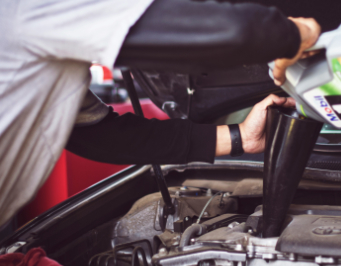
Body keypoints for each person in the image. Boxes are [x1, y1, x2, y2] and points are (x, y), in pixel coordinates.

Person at [0, 0, 320, 227]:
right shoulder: (31, 8)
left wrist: (239, 138)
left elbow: (97, 135)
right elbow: (225, 32)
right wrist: (297, 33)